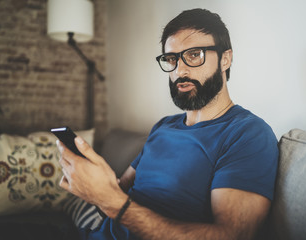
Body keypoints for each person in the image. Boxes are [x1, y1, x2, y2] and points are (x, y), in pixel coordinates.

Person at [58, 8, 279, 240]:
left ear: (226, 59)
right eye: (172, 59)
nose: (180, 70)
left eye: (194, 55)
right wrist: (92, 176)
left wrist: (113, 203)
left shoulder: (247, 134)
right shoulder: (163, 126)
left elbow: (232, 235)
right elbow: (121, 188)